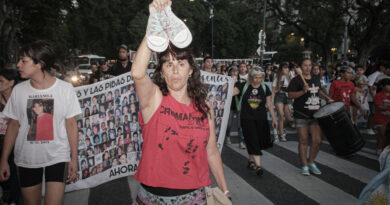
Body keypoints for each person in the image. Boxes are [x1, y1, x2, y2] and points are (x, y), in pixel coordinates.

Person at [131, 1, 229, 203]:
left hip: (194, 198)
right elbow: (138, 73)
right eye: (169, 64)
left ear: (191, 70)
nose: (175, 70)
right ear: (162, 71)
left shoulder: (205, 107)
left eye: (181, 64)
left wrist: (225, 192)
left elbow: (211, 152)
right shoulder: (154, 100)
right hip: (152, 199)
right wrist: (154, 23)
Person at [0, 40, 81, 205]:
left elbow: (71, 124)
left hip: (58, 157)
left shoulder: (65, 89)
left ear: (39, 64)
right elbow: (13, 126)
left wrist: (74, 158)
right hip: (26, 158)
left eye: (23, 61)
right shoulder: (18, 91)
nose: (18, 65)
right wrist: (3, 159)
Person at [287, 58, 333, 176]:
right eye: (305, 65)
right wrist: (303, 91)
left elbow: (318, 91)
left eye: (309, 65)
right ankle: (304, 165)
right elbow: (290, 95)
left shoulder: (316, 78)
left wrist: (326, 98)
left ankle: (311, 162)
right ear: (301, 67)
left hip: (315, 114)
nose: (308, 67)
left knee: (317, 140)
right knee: (303, 140)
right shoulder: (296, 80)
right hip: (301, 114)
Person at [233, 67, 277, 176]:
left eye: (260, 77)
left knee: (258, 140)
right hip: (247, 118)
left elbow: (270, 104)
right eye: (256, 77)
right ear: (251, 77)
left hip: (261, 118)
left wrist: (274, 118)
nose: (258, 79)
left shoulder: (265, 87)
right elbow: (229, 93)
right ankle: (258, 166)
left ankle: (251, 161)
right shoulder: (243, 86)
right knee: (252, 139)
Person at [0, 69, 21, 204]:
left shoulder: (19, 99)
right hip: (0, 142)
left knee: (14, 172)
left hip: (17, 143)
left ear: (11, 82)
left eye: (1, 81)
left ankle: (13, 199)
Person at [272, 62, 293, 142]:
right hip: (279, 96)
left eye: (287, 67)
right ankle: (281, 134)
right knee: (281, 114)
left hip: (288, 96)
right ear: (281, 69)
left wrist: (287, 75)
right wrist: (271, 101)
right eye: (284, 67)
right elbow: (273, 89)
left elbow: (292, 86)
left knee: (288, 118)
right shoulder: (277, 76)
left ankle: (281, 127)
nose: (286, 69)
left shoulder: (290, 75)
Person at [373, 78, 390, 155]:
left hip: (388, 118)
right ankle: (379, 149)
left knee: (388, 135)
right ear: (382, 86)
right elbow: (380, 107)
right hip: (380, 118)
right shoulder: (378, 95)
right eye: (388, 85)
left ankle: (385, 149)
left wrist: (386, 106)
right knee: (381, 134)